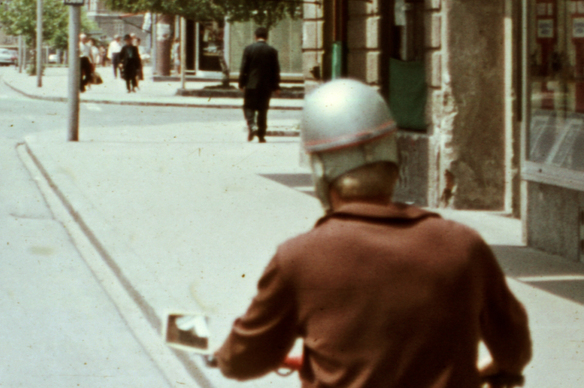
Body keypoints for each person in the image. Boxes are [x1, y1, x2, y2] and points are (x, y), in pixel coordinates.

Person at [212, 78, 531, 387]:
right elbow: (514, 348)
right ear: (394, 163)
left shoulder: (300, 257)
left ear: (322, 172)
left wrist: (224, 356)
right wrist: (495, 369)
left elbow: (243, 360)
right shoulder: (463, 244)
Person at [238, 25, 281, 142]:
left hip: (251, 85)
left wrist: (241, 83)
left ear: (255, 36)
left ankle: (252, 125)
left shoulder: (248, 49)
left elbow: (244, 68)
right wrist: (276, 87)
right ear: (266, 37)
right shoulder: (272, 51)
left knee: (248, 107)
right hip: (266, 86)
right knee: (263, 110)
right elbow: (275, 70)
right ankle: (261, 135)